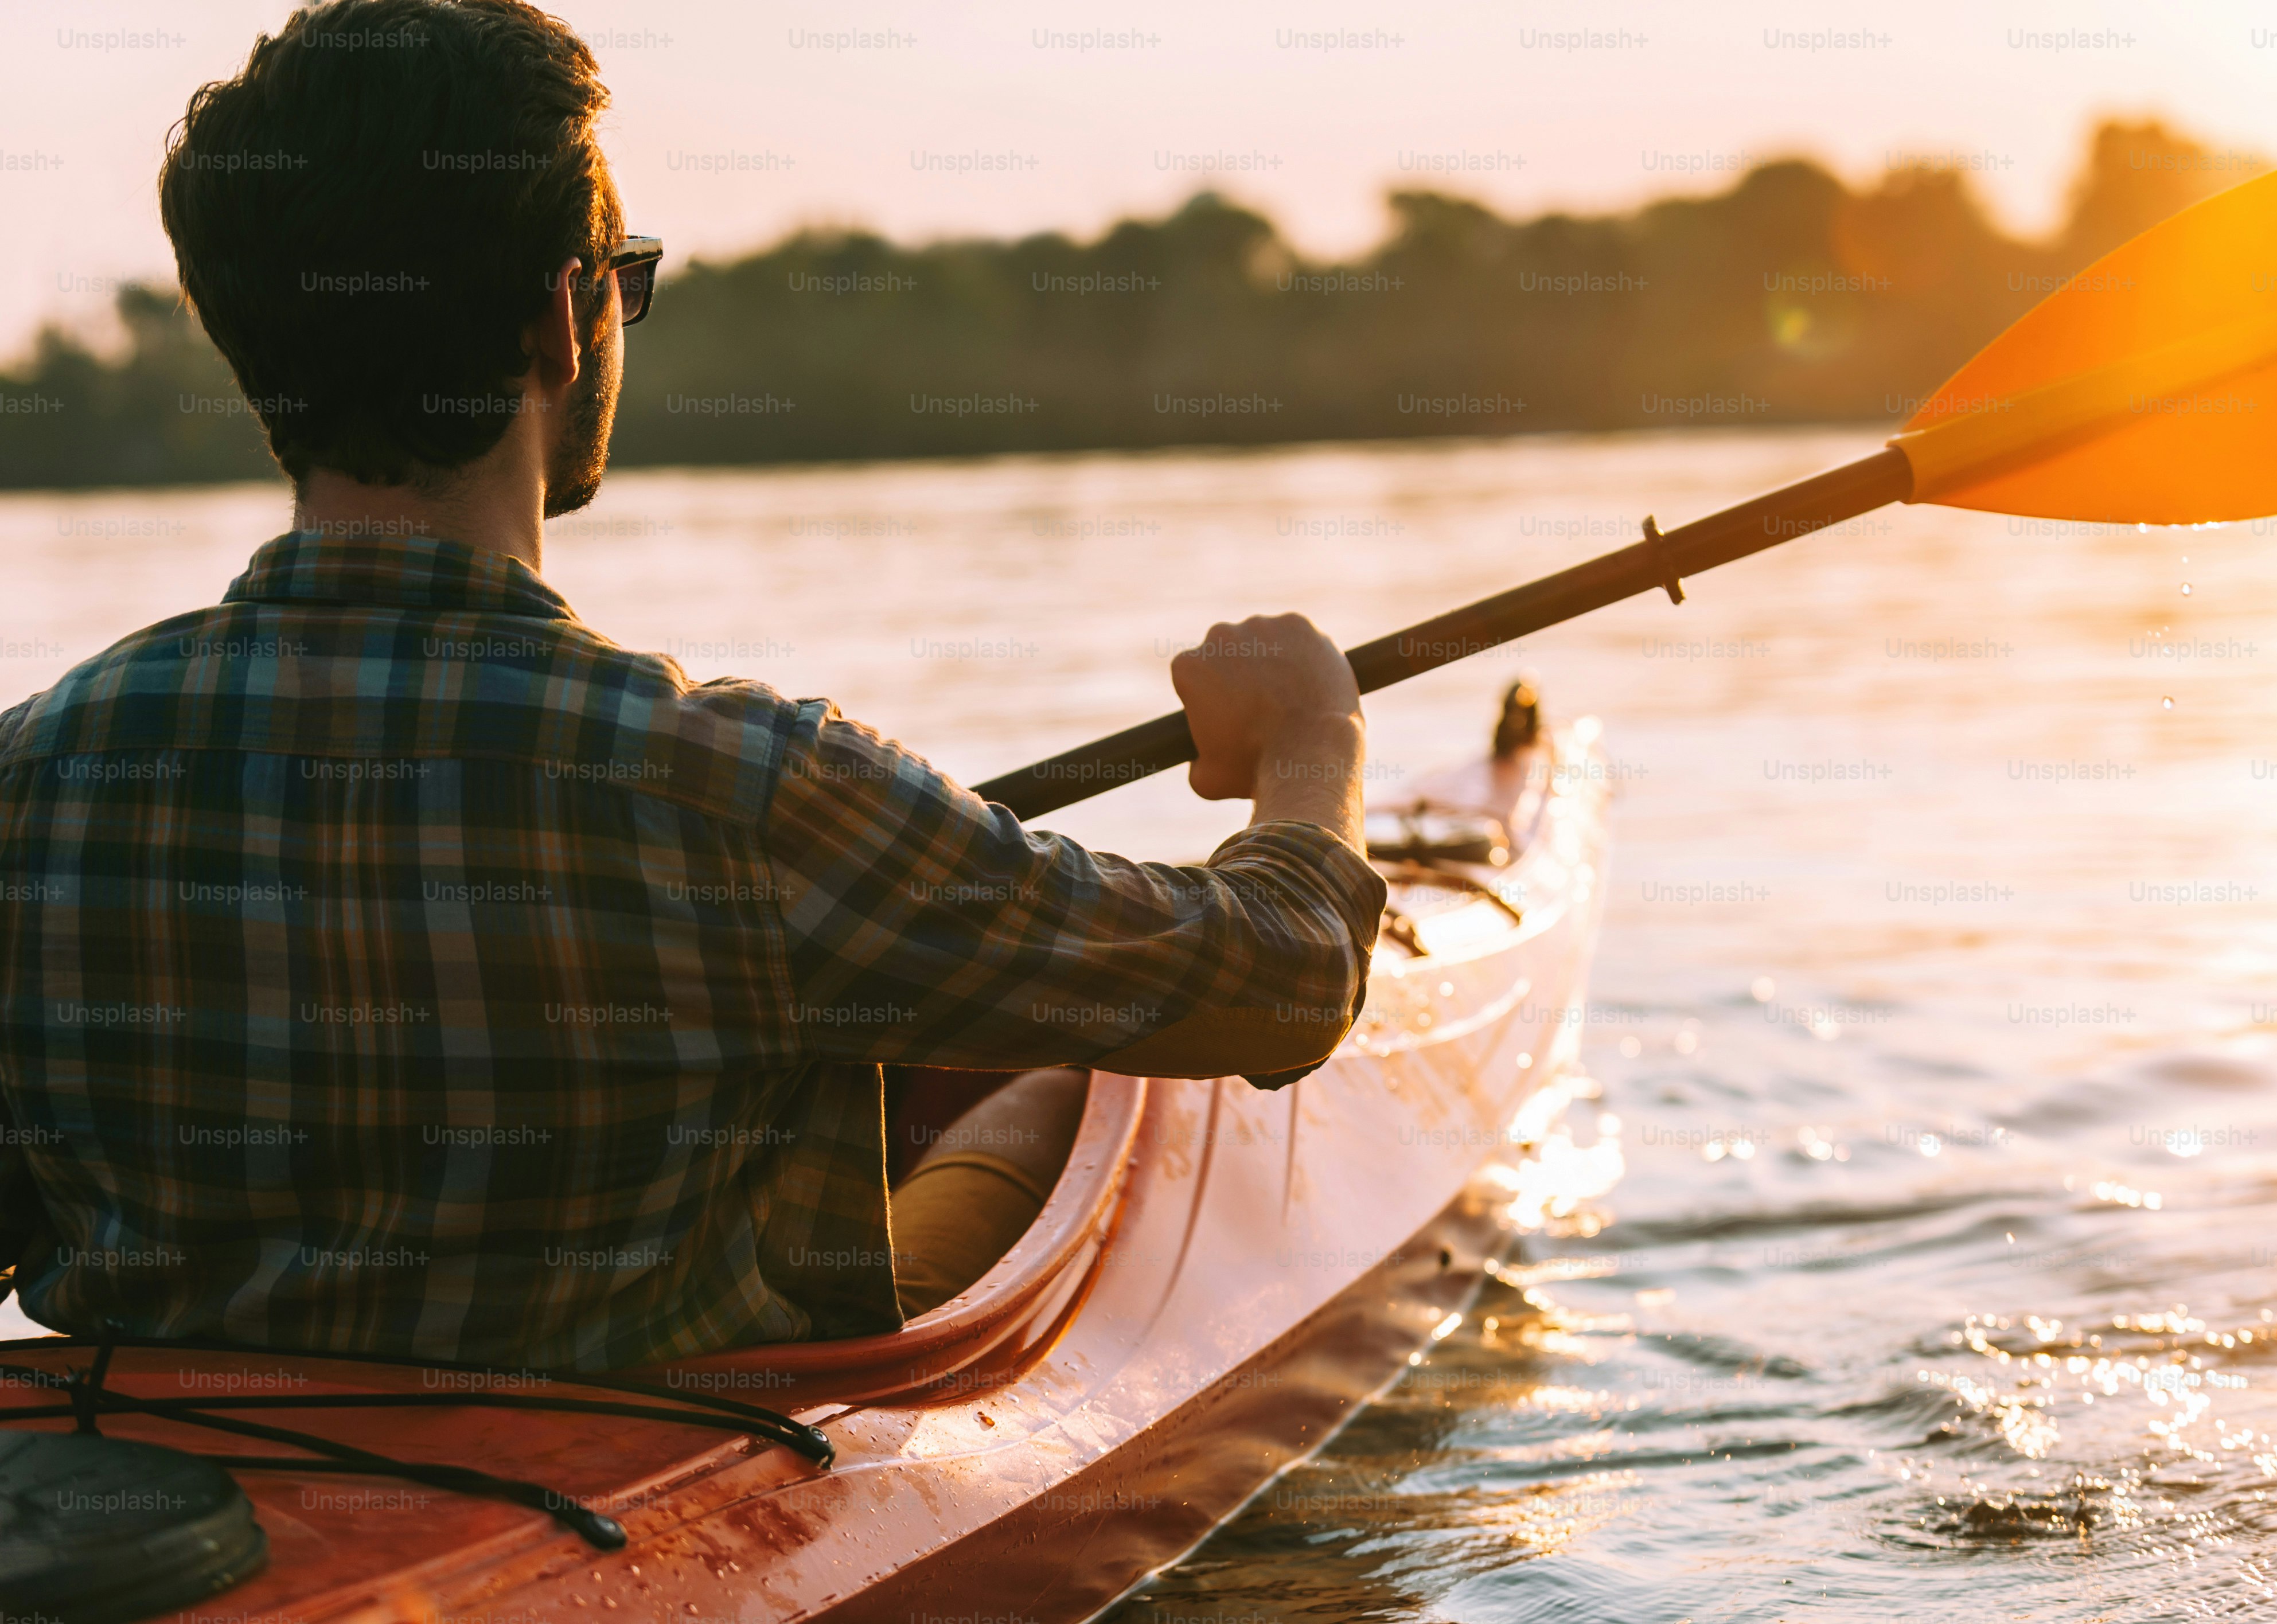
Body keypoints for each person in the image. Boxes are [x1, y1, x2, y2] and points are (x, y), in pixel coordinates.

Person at [0, 0, 1381, 1371]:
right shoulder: (745, 786)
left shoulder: (27, 780)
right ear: (563, 313)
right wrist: (1309, 740)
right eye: (624, 273)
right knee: (1057, 1084)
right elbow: (1280, 983)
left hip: (175, 1513)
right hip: (656, 1498)